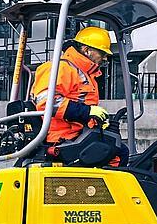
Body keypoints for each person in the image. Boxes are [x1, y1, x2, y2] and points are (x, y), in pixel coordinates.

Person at [27, 26, 115, 163]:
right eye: (102, 53)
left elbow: (81, 106)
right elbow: (46, 102)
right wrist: (88, 111)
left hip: (76, 134)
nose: (105, 58)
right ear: (87, 50)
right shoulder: (61, 68)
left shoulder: (85, 73)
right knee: (116, 153)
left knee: (115, 145)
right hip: (61, 138)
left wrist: (96, 120)